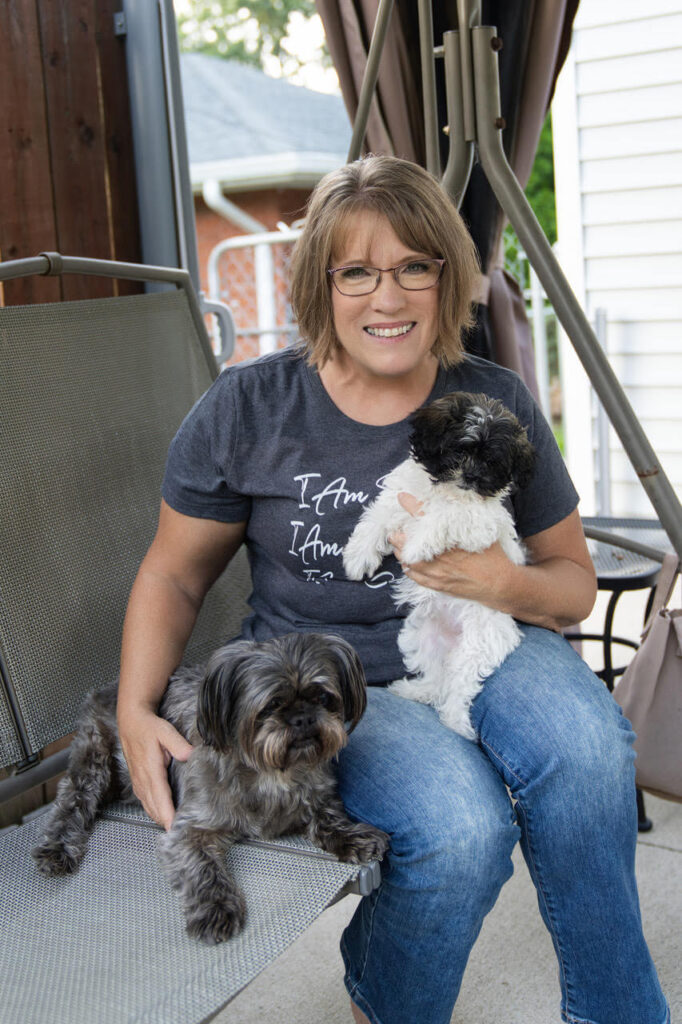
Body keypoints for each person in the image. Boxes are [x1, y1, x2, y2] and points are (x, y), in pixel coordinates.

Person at [117, 155, 669, 1024]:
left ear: (448, 280)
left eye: (416, 266)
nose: (389, 297)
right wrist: (134, 709)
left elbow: (572, 589)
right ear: (320, 286)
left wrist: (499, 580)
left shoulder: (492, 399)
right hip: (331, 686)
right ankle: (389, 999)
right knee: (460, 832)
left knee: (590, 751)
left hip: (489, 640)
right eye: (358, 272)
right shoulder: (248, 407)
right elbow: (173, 573)